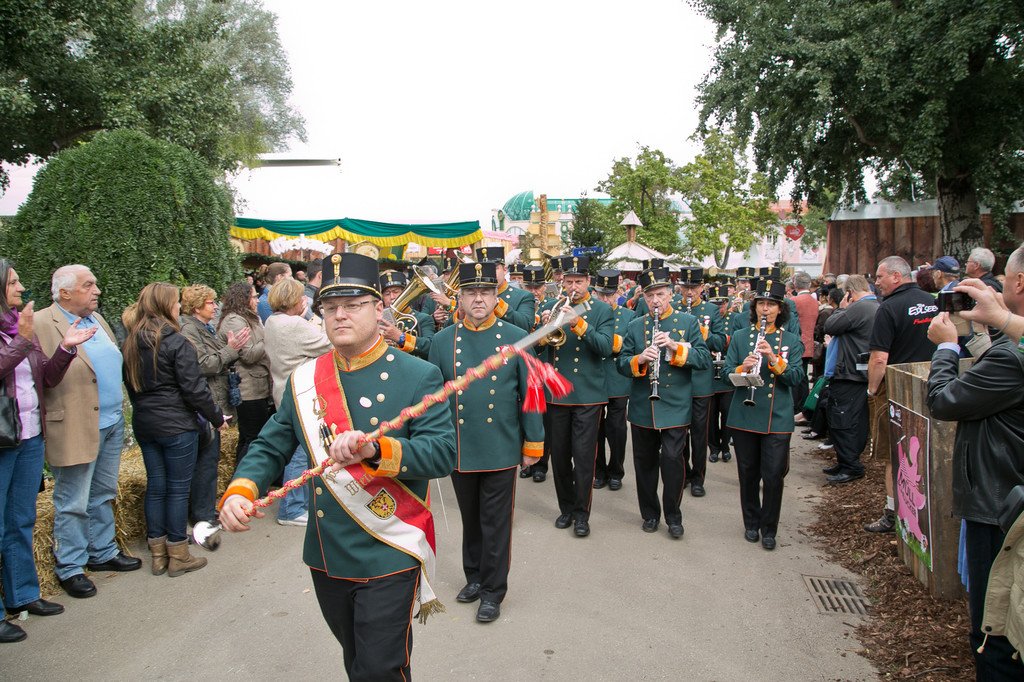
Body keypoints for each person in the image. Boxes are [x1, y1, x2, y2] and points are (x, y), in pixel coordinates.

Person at [219, 253, 455, 680]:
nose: (340, 315)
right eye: (330, 307)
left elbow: (441, 453)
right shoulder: (305, 379)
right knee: (356, 662)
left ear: (378, 309)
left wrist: (377, 451)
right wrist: (242, 489)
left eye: (353, 305)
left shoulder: (418, 374)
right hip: (328, 551)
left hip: (390, 546)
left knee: (380, 668)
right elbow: (271, 444)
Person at [926, 241, 1024, 679]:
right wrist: (993, 325)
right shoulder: (1010, 349)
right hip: (1005, 493)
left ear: (1017, 281)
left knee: (993, 627)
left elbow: (944, 401)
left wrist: (947, 348)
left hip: (1000, 503)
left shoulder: (1011, 358)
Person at [428, 261, 543, 623]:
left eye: (486, 292)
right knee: (471, 518)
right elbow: (433, 397)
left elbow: (532, 393)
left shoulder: (516, 338)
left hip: (500, 445)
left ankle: (493, 591)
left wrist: (533, 442)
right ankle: (475, 577)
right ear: (459, 298)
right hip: (460, 446)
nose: (478, 299)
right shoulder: (443, 341)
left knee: (495, 523)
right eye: (471, 292)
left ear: (496, 297)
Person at [35, 265, 141, 600]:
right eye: (88, 285)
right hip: (74, 425)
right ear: (64, 292)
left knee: (103, 491)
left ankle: (102, 550)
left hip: (110, 421)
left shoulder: (96, 319)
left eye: (95, 284)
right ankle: (71, 566)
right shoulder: (42, 323)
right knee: (73, 500)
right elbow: (40, 377)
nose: (97, 290)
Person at [0, 260, 92, 642]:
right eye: (13, 282)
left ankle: (23, 595)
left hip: (29, 436)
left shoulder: (17, 327)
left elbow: (47, 377)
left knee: (21, 519)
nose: (21, 287)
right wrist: (22, 340)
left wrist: (66, 349)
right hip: (2, 441)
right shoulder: (21, 331)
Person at [122, 283, 228, 577]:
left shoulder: (130, 342)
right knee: (178, 488)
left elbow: (131, 387)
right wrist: (216, 417)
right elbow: (195, 389)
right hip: (176, 424)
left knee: (157, 486)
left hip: (146, 422)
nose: (179, 307)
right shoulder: (176, 341)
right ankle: (178, 553)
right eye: (175, 302)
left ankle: (158, 553)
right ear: (165, 305)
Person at [617, 267, 711, 538]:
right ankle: (650, 514)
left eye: (660, 294)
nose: (655, 300)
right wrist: (639, 359)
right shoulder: (635, 326)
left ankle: (673, 516)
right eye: (650, 296)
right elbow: (621, 363)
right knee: (645, 463)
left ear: (671, 294)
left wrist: (674, 346)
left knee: (672, 460)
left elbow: (703, 359)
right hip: (643, 405)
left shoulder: (688, 322)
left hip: (675, 404)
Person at [723, 278, 805, 550]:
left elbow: (796, 378)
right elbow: (725, 374)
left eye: (771, 304)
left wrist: (773, 358)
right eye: (761, 304)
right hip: (744, 414)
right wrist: (742, 368)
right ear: (754, 307)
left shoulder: (791, 340)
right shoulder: (739, 337)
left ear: (780, 309)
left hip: (776, 417)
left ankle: (769, 529)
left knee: (772, 475)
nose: (765, 309)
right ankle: (751, 522)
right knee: (747, 474)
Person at [538, 255, 613, 537]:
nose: (573, 287)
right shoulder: (551, 306)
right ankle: (566, 509)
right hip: (556, 394)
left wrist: (579, 323)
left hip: (587, 396)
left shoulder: (601, 310)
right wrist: (544, 328)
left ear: (588, 281)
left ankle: (582, 514)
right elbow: (537, 349)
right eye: (568, 281)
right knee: (559, 457)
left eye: (578, 281)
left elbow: (605, 347)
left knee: (583, 458)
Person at [864, 256, 937, 532]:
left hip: (897, 392)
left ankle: (892, 514)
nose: (877, 282)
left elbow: (879, 358)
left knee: (894, 455)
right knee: (928, 454)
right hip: (935, 386)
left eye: (880, 276)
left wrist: (872, 389)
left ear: (896, 276)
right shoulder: (933, 301)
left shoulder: (888, 308)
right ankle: (929, 515)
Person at [178, 284, 249, 536]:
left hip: (213, 398)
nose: (215, 306)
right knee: (206, 461)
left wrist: (229, 347)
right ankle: (202, 513)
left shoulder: (204, 327)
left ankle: (204, 509)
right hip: (204, 402)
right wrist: (231, 349)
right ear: (196, 306)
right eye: (210, 302)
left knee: (209, 459)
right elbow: (203, 364)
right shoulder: (189, 330)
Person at [262, 278, 331, 526]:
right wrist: (319, 318)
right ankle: (291, 509)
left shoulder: (273, 321)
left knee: (298, 450)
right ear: (294, 300)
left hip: (283, 390)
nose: (305, 300)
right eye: (302, 296)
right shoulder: (293, 324)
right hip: (302, 394)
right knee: (301, 453)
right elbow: (329, 343)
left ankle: (296, 503)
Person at [821, 275, 879, 484]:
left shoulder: (859, 308)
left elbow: (830, 326)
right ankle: (845, 461)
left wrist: (842, 308)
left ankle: (851, 465)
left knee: (843, 420)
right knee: (847, 418)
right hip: (857, 371)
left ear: (849, 293)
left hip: (850, 374)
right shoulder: (874, 306)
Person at [676, 267, 726, 497]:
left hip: (700, 380)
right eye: (686, 287)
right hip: (677, 378)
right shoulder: (673, 308)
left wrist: (705, 334)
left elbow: (720, 342)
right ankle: (682, 473)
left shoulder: (711, 310)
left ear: (702, 288)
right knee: (678, 431)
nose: (689, 292)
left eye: (694, 287)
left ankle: (698, 477)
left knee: (699, 433)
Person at [218, 281, 273, 471]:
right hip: (248, 388)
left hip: (257, 384)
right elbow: (248, 355)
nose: (257, 300)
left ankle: (241, 477)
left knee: (249, 436)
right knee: (253, 437)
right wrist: (270, 336)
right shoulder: (235, 321)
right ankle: (244, 479)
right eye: (254, 296)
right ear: (243, 299)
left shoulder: (248, 317)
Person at [592, 269, 634, 491]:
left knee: (617, 429)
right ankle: (599, 471)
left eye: (610, 294)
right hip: (595, 376)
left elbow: (631, 344)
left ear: (618, 293)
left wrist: (608, 342)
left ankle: (616, 471)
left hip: (617, 377)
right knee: (595, 429)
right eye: (602, 295)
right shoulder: (590, 312)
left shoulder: (628, 316)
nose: (606, 299)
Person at [520, 265, 552, 482]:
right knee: (523, 413)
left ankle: (540, 464)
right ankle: (525, 461)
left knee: (543, 419)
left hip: (544, 366)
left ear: (545, 287)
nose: (534, 291)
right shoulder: (520, 306)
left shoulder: (551, 306)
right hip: (523, 365)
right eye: (529, 287)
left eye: (538, 287)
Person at [378, 270, 434, 359]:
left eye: (396, 292)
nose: (392, 297)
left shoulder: (423, 318)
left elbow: (431, 347)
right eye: (387, 294)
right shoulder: (377, 320)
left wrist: (401, 337)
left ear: (405, 292)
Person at [475, 247, 534, 331]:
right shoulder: (471, 296)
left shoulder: (523, 296)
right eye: (484, 269)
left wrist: (498, 305)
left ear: (505, 270)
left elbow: (526, 325)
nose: (489, 272)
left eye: (494, 268)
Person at [791, 271, 819, 421]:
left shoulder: (794, 301)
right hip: (808, 343)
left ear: (795, 285)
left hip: (796, 344)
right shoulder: (814, 301)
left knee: (796, 378)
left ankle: (797, 407)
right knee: (802, 379)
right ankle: (803, 408)